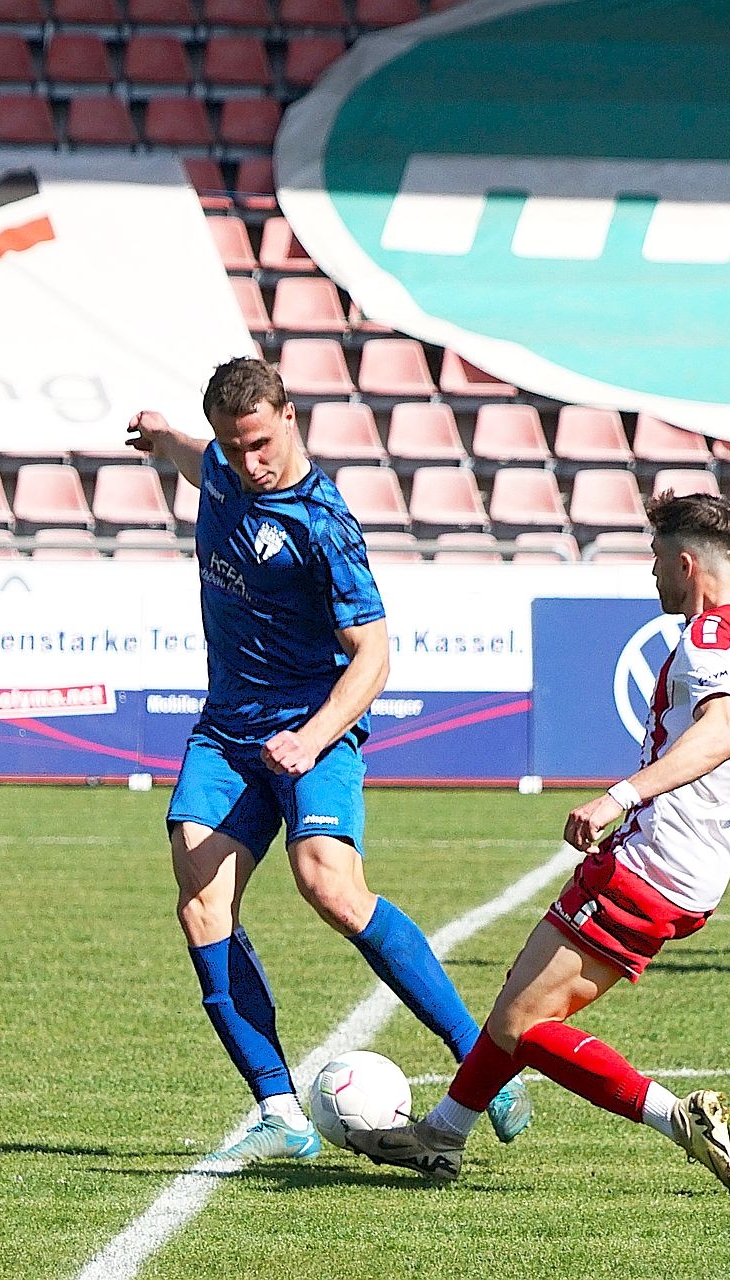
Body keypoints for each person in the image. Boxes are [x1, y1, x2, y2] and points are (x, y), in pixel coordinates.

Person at [349, 492, 730, 1190]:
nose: (651, 574)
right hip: (701, 868)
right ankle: (443, 1136)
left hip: (649, 859)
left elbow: (721, 732)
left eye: (657, 560)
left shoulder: (709, 639)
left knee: (523, 1025)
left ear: (686, 565)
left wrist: (618, 796)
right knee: (520, 1004)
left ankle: (677, 1118)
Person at [126, 357, 528, 1163]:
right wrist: (164, 436)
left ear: (289, 416)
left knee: (330, 887)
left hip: (314, 726)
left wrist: (311, 738)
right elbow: (195, 460)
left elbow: (374, 655)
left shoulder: (323, 524)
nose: (250, 463)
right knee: (201, 904)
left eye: (261, 444)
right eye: (234, 447)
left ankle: (482, 1060)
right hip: (228, 733)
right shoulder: (221, 469)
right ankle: (279, 1110)